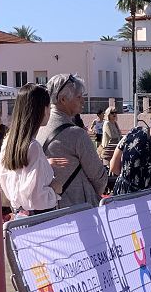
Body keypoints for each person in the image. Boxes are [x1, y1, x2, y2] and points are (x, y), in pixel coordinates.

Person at [0, 84, 70, 292]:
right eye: (46, 106)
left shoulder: (10, 145)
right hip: (36, 221)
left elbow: (19, 184)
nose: (48, 112)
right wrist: (54, 185)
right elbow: (36, 193)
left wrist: (45, 173)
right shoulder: (33, 147)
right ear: (37, 109)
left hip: (18, 219)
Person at [39, 74, 109, 208]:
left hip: (47, 210)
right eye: (79, 97)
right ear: (63, 99)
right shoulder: (76, 134)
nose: (83, 101)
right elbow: (99, 178)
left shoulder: (38, 129)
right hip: (78, 210)